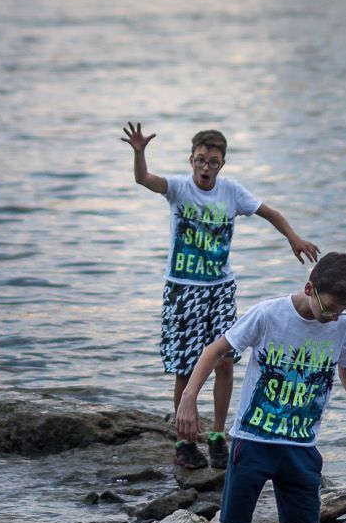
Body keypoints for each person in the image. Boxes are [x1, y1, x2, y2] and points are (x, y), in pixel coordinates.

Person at [122, 122, 319, 471]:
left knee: (225, 361)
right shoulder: (179, 189)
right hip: (182, 288)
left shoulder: (231, 192)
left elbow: (269, 212)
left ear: (222, 164)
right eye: (200, 160)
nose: (205, 167)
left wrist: (294, 238)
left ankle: (216, 435)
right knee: (185, 366)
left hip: (219, 289)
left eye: (213, 161)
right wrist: (139, 153)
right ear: (191, 160)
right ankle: (184, 443)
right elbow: (143, 180)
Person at [176, 252, 346, 523]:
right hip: (253, 441)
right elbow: (215, 349)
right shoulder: (268, 314)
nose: (334, 317)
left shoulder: (341, 325)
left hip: (301, 446)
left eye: (344, 310)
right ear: (310, 288)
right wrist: (189, 398)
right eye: (331, 308)